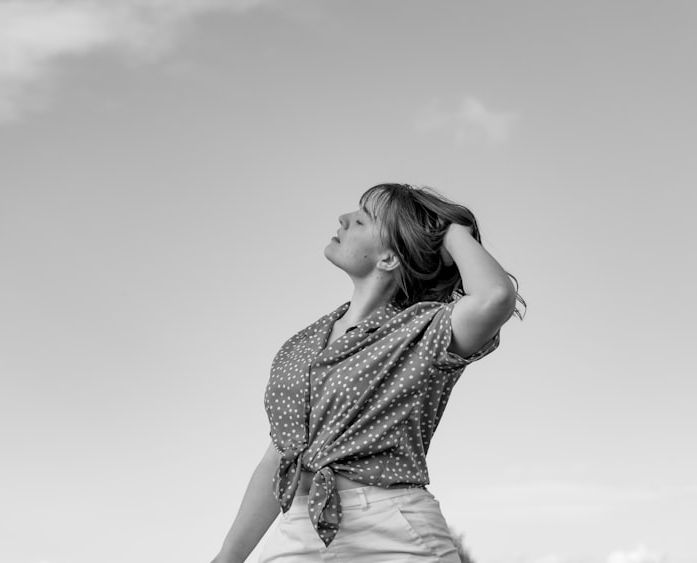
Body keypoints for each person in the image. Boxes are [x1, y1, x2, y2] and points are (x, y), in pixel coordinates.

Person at [211, 183, 524, 563]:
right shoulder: (300, 347)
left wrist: (449, 229)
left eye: (362, 220)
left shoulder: (425, 328)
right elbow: (277, 458)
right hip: (300, 527)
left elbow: (494, 297)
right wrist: (226, 559)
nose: (343, 220)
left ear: (390, 258)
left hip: (394, 530)